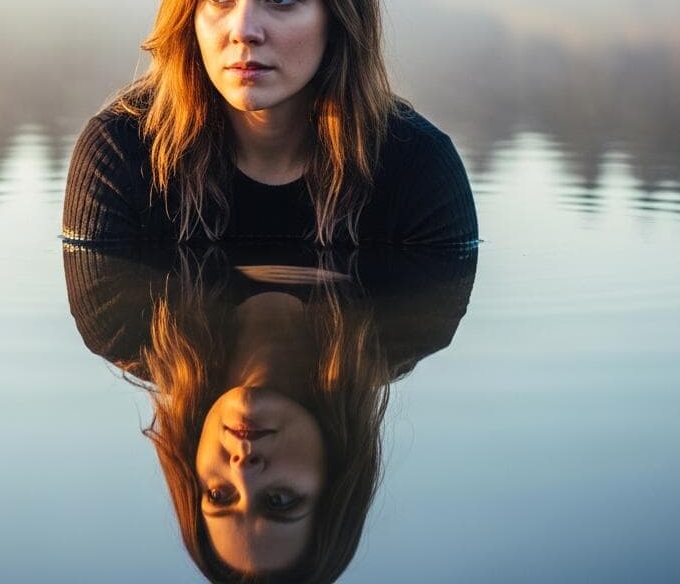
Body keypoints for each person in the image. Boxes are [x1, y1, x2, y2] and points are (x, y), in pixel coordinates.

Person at [62, 0, 478, 248]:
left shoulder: (418, 169)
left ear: (339, 16)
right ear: (189, 12)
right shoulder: (121, 154)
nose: (243, 30)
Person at [62, 241, 478, 583]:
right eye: (279, 499)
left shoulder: (120, 321)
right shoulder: (415, 319)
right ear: (335, 471)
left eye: (219, 495)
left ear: (193, 466)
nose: (242, 470)